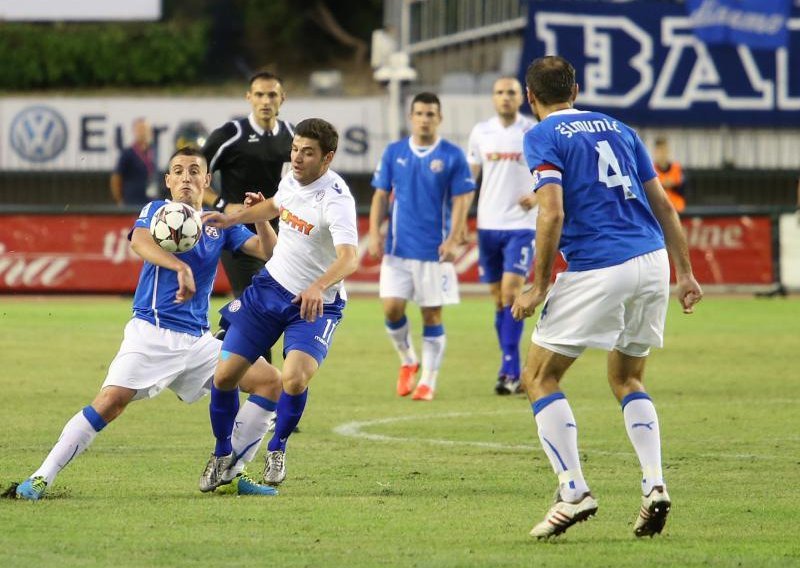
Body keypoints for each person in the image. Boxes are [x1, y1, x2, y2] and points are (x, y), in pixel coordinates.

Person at [16, 147, 283, 500]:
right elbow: (139, 242)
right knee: (110, 402)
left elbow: (269, 252)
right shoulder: (158, 212)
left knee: (270, 382)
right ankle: (40, 478)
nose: (186, 177)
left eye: (194, 171)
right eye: (178, 171)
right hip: (152, 333)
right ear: (168, 181)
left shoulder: (218, 224)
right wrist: (179, 267)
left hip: (198, 341)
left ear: (206, 180)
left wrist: (260, 218)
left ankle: (231, 471)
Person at [512, 56, 703, 539]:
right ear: (575, 88)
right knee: (627, 377)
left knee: (538, 375)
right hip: (652, 261)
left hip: (600, 265)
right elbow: (662, 204)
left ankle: (573, 491)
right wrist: (685, 271)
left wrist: (538, 283)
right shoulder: (619, 127)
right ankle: (655, 486)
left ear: (530, 97)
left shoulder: (542, 135)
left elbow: (550, 212)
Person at [197, 118, 359, 491]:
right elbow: (274, 206)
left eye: (307, 152)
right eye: (295, 149)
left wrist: (318, 286)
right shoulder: (291, 179)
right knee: (223, 377)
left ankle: (278, 446)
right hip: (269, 290)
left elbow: (350, 258)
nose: (297, 158)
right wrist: (233, 216)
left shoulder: (335, 199)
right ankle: (222, 454)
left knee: (294, 378)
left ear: (328, 158)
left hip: (315, 304)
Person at [368, 92, 476, 402]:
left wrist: (455, 237)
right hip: (397, 249)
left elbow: (461, 200)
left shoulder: (453, 156)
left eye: (431, 114)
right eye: (419, 113)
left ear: (439, 118)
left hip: (434, 252)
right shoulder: (394, 152)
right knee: (391, 308)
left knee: (432, 315)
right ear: (411, 118)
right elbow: (379, 195)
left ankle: (428, 379)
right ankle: (408, 360)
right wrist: (374, 233)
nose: (425, 119)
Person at [201, 71, 294, 353]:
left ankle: (225, 332)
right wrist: (222, 206)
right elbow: (196, 175)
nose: (266, 101)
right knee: (258, 306)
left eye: (272, 95)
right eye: (260, 95)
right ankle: (263, 383)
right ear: (249, 98)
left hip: (279, 235)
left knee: (274, 302)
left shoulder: (293, 137)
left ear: (282, 98)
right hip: (237, 233)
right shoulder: (231, 135)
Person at [466, 76, 538, 396]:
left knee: (511, 293)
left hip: (521, 225)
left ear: (520, 98)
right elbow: (470, 178)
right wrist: (457, 227)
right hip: (487, 224)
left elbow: (554, 171)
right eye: (499, 93)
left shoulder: (533, 131)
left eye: (510, 92)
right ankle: (510, 362)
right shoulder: (481, 132)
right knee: (498, 299)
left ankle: (509, 369)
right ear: (493, 99)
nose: (505, 97)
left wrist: (536, 195)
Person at [110, 117, 157, 207]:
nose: (143, 133)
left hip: (149, 202)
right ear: (134, 131)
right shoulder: (127, 153)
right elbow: (116, 178)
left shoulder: (153, 151)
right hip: (132, 203)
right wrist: (120, 201)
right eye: (140, 129)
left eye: (145, 129)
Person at [652, 137, 686, 213]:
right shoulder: (651, 170)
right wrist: (661, 185)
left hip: (677, 209)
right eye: (660, 151)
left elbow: (683, 190)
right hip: (658, 210)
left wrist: (673, 185)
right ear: (655, 152)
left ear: (668, 151)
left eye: (664, 150)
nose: (662, 154)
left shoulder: (677, 168)